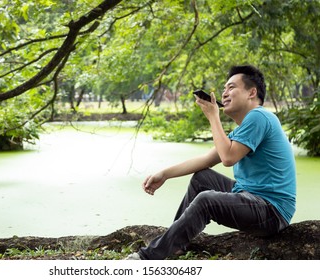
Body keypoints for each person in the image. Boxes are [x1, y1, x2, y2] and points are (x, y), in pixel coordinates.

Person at [126, 65, 296, 260]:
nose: (224, 93)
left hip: (271, 210)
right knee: (202, 178)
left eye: (231, 87)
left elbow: (228, 158)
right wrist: (164, 174)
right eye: (224, 89)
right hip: (251, 197)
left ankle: (148, 257)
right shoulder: (245, 127)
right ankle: (175, 243)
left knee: (207, 199)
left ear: (252, 92)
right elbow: (205, 160)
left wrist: (213, 117)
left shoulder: (259, 116)